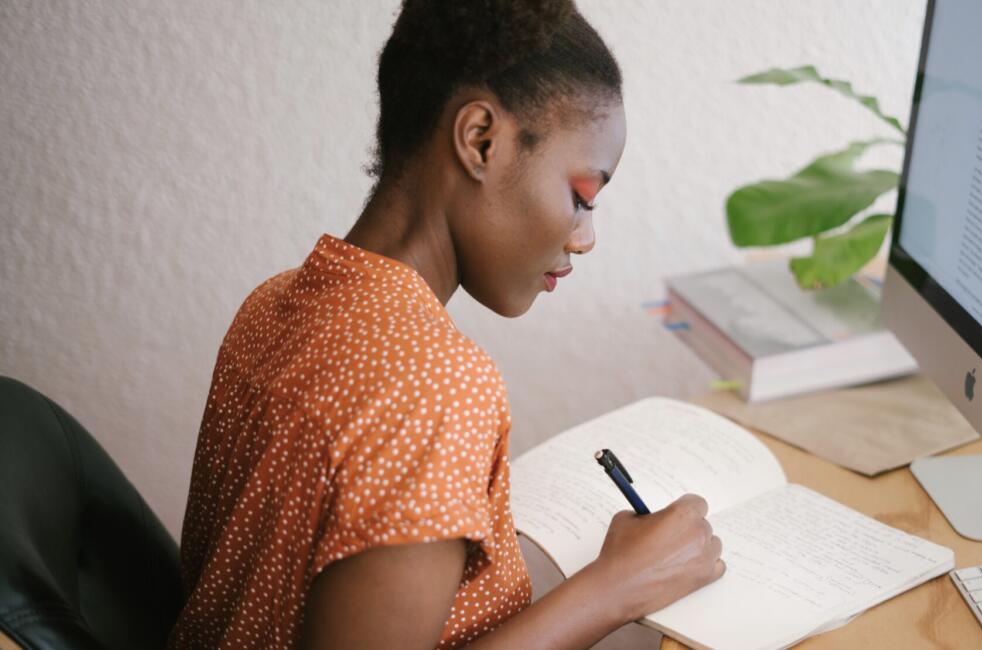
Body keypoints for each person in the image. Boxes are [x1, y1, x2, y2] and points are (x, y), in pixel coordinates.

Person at [168, 2, 725, 648]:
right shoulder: (437, 385)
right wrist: (617, 586)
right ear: (480, 139)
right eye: (582, 197)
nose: (585, 238)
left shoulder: (271, 304)